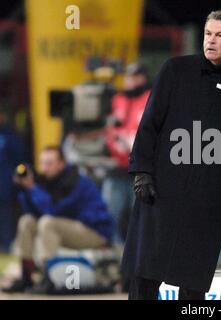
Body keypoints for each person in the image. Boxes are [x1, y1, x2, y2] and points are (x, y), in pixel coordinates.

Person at [121, 10, 221, 300]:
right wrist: (142, 172)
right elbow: (150, 123)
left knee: (194, 280)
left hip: (208, 197)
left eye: (219, 35)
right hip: (161, 190)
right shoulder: (175, 70)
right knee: (146, 274)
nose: (211, 40)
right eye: (208, 34)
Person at [2, 146, 114, 294]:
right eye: (42, 163)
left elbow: (53, 210)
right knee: (27, 221)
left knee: (47, 222)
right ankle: (26, 277)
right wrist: (26, 189)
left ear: (62, 164)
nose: (45, 168)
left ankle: (49, 278)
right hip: (69, 227)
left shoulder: (74, 181)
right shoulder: (46, 180)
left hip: (95, 231)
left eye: (50, 163)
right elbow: (33, 212)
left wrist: (33, 188)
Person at [102, 63, 151, 244]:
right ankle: (116, 252)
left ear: (143, 78)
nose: (131, 81)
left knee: (139, 215)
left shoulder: (151, 97)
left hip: (140, 169)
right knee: (109, 213)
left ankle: (139, 253)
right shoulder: (117, 99)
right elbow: (109, 128)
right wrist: (113, 141)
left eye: (135, 77)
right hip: (116, 168)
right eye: (129, 77)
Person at [0, 107, 27, 252]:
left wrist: (18, 177)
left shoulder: (9, 135)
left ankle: (7, 244)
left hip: (4, 184)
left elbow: (20, 159)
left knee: (6, 215)